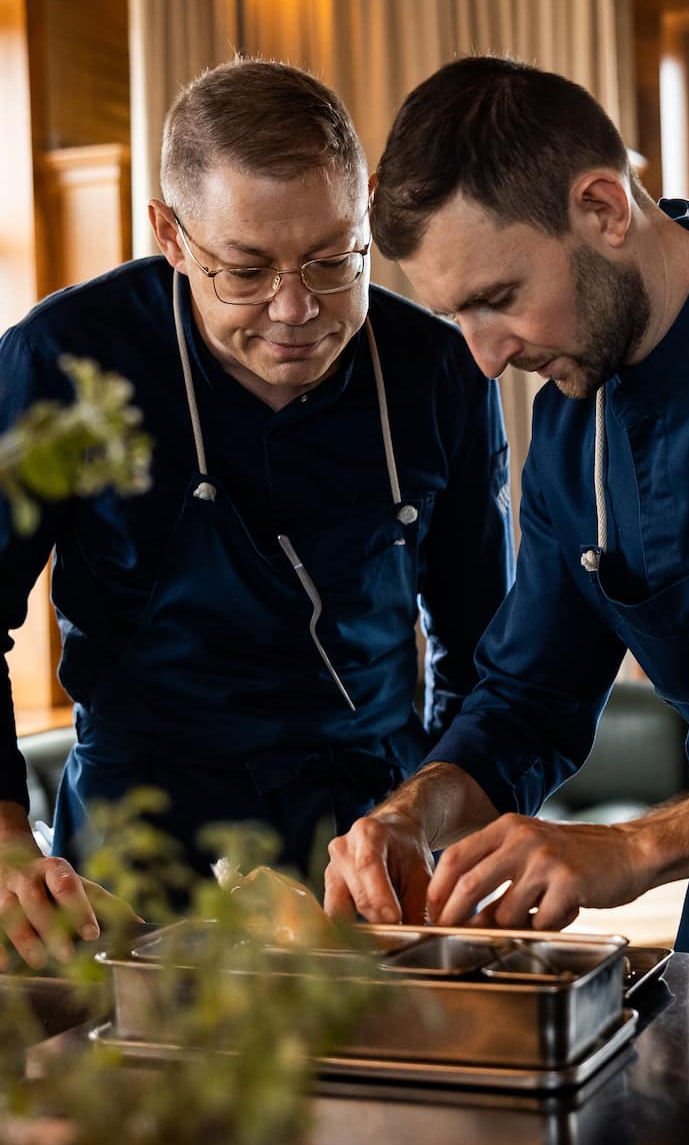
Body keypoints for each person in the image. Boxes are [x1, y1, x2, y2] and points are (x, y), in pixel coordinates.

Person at [324, 54, 689, 962]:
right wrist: (410, 814)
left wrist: (636, 846)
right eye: (456, 318)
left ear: (603, 209)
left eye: (498, 300)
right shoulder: (568, 433)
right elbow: (526, 700)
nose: (481, 358)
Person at [0, 58, 512, 968]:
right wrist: (5, 838)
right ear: (169, 234)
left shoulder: (439, 371)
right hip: (137, 839)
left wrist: (450, 818)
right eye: (245, 270)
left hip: (367, 832)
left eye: (332, 259)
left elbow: (487, 652)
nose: (296, 310)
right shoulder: (61, 361)